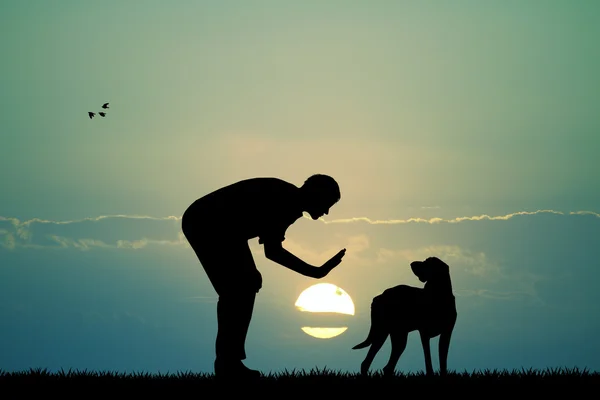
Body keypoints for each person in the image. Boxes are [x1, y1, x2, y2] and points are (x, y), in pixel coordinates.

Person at [181, 174, 346, 379]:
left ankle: (229, 362)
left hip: (223, 228)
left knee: (245, 284)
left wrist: (316, 272)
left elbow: (271, 249)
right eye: (327, 204)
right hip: (206, 223)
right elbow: (273, 251)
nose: (326, 212)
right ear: (316, 194)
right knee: (239, 288)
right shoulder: (285, 201)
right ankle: (227, 363)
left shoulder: (289, 202)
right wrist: (316, 272)